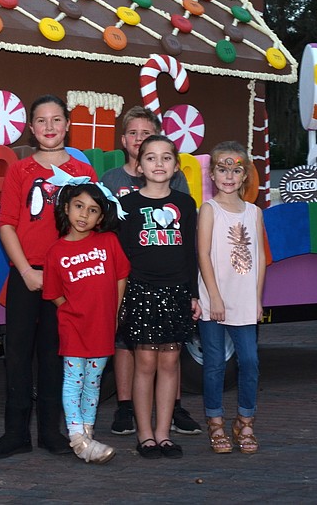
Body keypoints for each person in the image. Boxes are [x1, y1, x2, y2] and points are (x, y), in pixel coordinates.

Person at [0, 95, 98, 459]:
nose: (50, 127)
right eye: (42, 121)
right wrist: (27, 271)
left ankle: (51, 431)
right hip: (26, 276)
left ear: (67, 125)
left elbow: (92, 227)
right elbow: (8, 225)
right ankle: (15, 432)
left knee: (55, 354)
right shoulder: (20, 169)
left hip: (67, 280)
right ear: (32, 128)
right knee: (16, 354)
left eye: (56, 120)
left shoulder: (84, 172)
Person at [101, 106, 200, 437]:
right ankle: (145, 434)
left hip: (176, 292)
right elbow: (120, 256)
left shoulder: (185, 205)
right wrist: (120, 298)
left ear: (175, 166)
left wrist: (194, 294)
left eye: (166, 158)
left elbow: (191, 252)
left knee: (170, 362)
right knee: (144, 363)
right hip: (141, 292)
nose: (159, 164)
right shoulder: (126, 206)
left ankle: (164, 434)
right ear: (139, 166)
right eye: (151, 158)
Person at [42, 180, 130, 463]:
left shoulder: (109, 242)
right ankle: (77, 437)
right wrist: (71, 309)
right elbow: (53, 292)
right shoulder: (56, 251)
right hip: (73, 326)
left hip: (102, 325)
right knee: (73, 381)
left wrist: (113, 315)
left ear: (101, 217)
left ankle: (87, 434)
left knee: (93, 383)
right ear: (66, 208)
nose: (83, 214)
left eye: (92, 210)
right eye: (79, 206)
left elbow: (120, 278)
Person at [197, 141, 265, 455]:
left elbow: (261, 257)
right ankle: (215, 422)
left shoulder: (254, 212)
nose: (229, 175)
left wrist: (258, 297)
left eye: (236, 170)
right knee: (214, 365)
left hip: (245, 299)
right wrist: (214, 297)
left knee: (249, 362)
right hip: (215, 299)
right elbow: (203, 254)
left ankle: (245, 420)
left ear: (244, 176)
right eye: (223, 169)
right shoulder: (209, 210)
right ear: (212, 173)